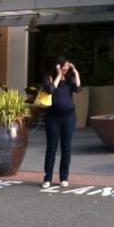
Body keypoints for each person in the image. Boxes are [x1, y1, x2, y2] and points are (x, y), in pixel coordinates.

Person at [41, 57, 81, 189]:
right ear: (58, 66)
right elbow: (50, 90)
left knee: (66, 148)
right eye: (64, 66)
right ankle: (47, 178)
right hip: (53, 118)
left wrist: (75, 72)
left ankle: (64, 177)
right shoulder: (48, 77)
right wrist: (58, 75)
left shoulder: (69, 79)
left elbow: (78, 88)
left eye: (68, 66)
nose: (66, 68)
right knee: (51, 148)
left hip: (69, 118)